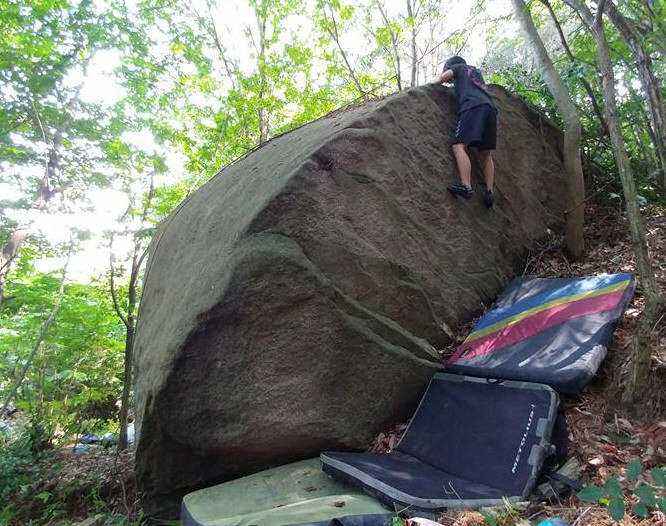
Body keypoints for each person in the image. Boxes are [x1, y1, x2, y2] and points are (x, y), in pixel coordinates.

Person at [434, 56, 497, 208]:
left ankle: (466, 186)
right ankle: (489, 191)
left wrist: (433, 82)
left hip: (473, 106)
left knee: (459, 146)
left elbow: (441, 79)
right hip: (490, 109)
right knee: (485, 154)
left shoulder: (458, 68)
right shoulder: (475, 73)